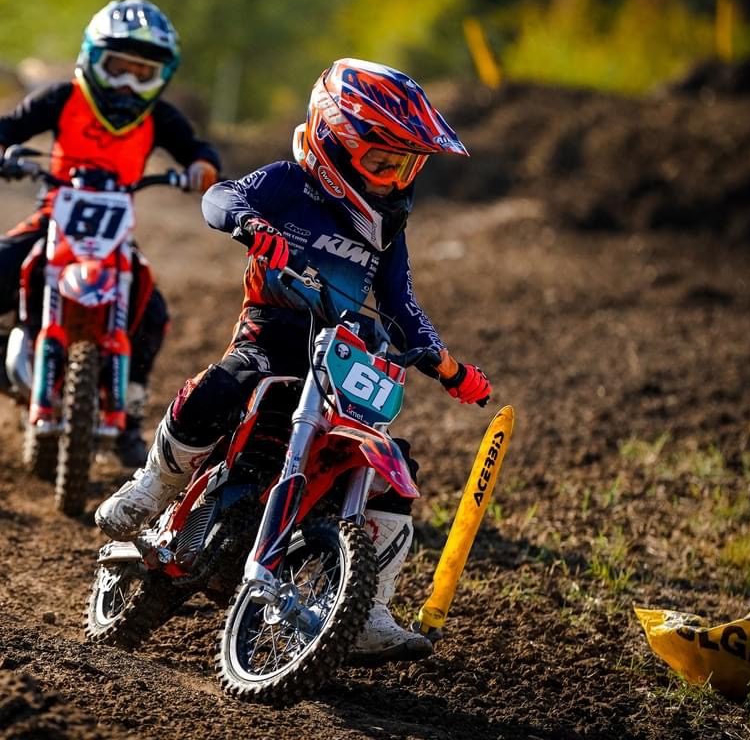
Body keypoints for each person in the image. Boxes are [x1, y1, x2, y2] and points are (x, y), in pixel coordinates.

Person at [95, 59, 492, 663]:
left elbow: (401, 304)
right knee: (228, 383)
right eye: (382, 162)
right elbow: (220, 197)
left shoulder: (387, 229)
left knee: (392, 468)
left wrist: (447, 367)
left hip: (343, 355)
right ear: (334, 141)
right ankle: (154, 485)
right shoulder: (290, 184)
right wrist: (250, 224)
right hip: (273, 333)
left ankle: (366, 607)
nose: (393, 179)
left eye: (406, 166)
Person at [0, 0, 221, 466]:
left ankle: (131, 410)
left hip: (114, 230)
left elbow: (196, 148)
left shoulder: (158, 116)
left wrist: (202, 167)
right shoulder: (63, 98)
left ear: (161, 76)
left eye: (142, 74)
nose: (128, 84)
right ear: (93, 58)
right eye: (119, 68)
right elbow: (9, 126)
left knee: (152, 310)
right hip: (55, 213)